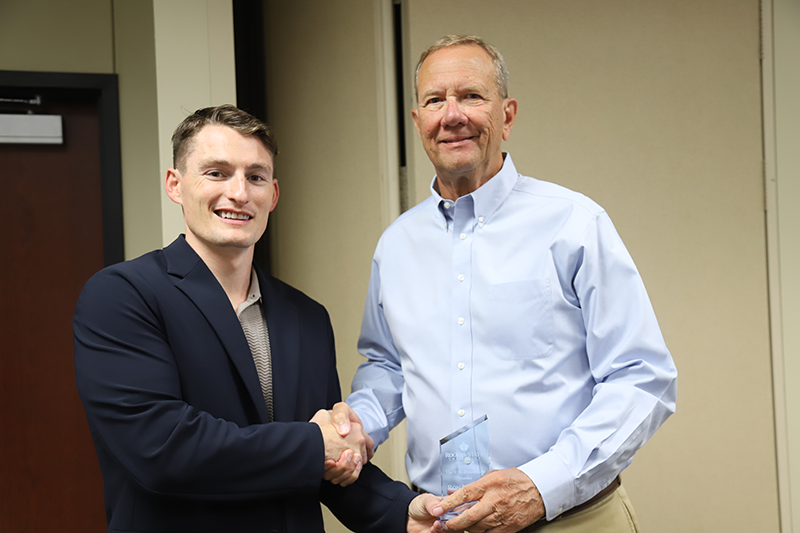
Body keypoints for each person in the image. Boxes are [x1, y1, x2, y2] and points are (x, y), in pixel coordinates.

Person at [345, 35, 678, 532]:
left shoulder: (574, 224)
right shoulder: (396, 245)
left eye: (472, 96)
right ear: (418, 122)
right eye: (435, 100)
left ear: (508, 115)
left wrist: (542, 485)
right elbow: (389, 366)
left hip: (568, 517)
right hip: (440, 520)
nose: (451, 114)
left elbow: (642, 377)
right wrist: (356, 428)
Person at [73, 105, 438, 533]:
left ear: (274, 194)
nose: (239, 193)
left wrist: (402, 512)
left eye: (255, 177)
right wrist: (315, 442)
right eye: (216, 173)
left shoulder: (306, 317)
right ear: (175, 185)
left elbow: (328, 466)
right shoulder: (122, 295)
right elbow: (163, 450)